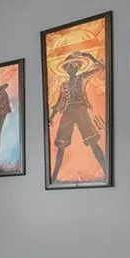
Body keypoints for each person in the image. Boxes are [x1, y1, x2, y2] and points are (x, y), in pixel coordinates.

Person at [48, 51, 107, 181]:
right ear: (66, 69)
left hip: (81, 111)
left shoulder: (82, 77)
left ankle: (107, 171)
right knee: (61, 145)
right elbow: (59, 102)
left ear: (77, 67)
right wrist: (51, 117)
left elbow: (101, 68)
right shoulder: (64, 85)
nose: (71, 68)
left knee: (93, 142)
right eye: (68, 66)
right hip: (68, 113)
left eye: (74, 65)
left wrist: (89, 56)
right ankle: (53, 177)